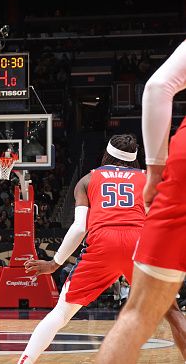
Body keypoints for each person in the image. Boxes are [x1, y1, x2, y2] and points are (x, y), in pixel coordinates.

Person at [18, 134, 186, 364]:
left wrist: (54, 263)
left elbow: (79, 228)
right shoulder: (148, 179)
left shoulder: (87, 180)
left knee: (60, 314)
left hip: (102, 244)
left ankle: (24, 362)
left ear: (106, 154)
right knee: (174, 313)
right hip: (140, 244)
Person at [97, 42, 186, 363]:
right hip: (122, 241)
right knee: (172, 313)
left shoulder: (91, 178)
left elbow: (158, 87)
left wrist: (155, 172)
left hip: (180, 165)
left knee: (137, 315)